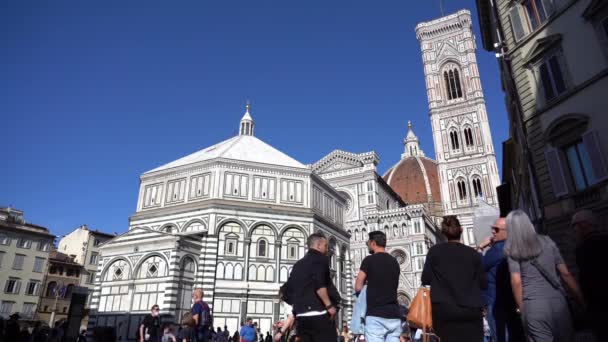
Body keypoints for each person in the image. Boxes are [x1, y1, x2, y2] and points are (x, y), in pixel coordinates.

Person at [504, 210, 585, 342]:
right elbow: (565, 273)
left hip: (533, 306)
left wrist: (523, 311)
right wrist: (581, 300)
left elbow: (516, 282)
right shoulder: (548, 241)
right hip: (559, 303)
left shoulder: (512, 248)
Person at [421, 215, 487, 341]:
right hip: (471, 310)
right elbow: (483, 283)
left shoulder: (435, 252)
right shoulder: (473, 254)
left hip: (445, 311)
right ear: (461, 230)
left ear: (444, 233)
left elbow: (426, 279)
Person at [476, 217, 524, 342]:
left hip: (496, 301)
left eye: (496, 229)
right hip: (511, 300)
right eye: (492, 229)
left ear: (507, 231)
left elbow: (479, 266)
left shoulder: (498, 249)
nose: (493, 232)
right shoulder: (514, 246)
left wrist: (480, 248)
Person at [284, 232, 338, 342]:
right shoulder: (321, 260)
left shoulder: (298, 264)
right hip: (319, 315)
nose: (327, 249)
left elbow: (287, 291)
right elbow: (320, 286)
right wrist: (329, 306)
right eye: (325, 246)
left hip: (302, 318)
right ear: (318, 245)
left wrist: (298, 307)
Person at [355, 231, 401, 342]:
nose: (367, 245)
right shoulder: (394, 262)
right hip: (394, 316)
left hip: (376, 316)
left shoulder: (369, 260)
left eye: (368, 242)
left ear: (373, 243)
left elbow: (358, 286)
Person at [572, 209, 607, 341]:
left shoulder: (582, 249)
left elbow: (586, 279)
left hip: (598, 304)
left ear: (583, 225)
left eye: (575, 227)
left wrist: (584, 302)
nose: (575, 232)